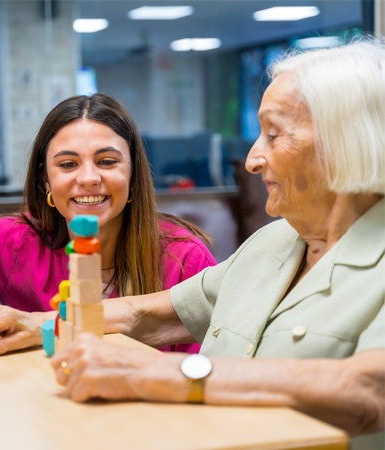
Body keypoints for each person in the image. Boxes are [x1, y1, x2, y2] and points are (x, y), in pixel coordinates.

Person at [42, 38, 384, 448]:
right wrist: (43, 324)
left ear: (346, 143)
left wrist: (163, 374)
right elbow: (150, 314)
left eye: (274, 135)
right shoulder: (276, 240)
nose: (254, 159)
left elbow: (367, 389)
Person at [0, 94, 216, 356]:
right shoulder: (13, 242)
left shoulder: (185, 260)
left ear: (133, 176)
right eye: (68, 164)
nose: (88, 178)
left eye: (107, 162)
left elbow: (213, 363)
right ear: (46, 180)